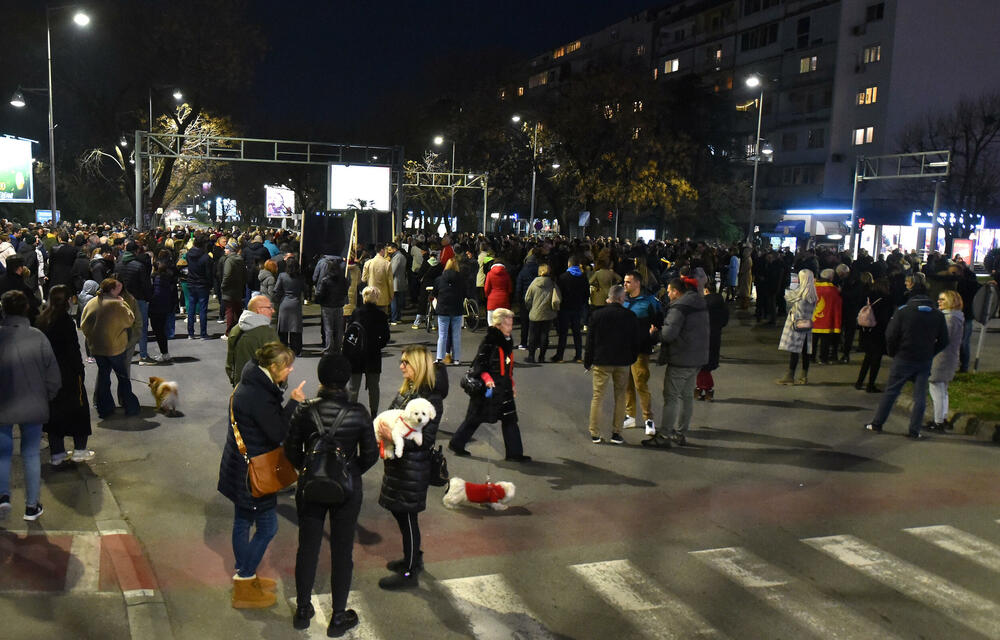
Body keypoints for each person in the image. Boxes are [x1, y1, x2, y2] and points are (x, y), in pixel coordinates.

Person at [284, 354, 378, 635]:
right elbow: (370, 455)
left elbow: (291, 450)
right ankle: (338, 617)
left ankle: (303, 610)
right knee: (342, 551)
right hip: (347, 490)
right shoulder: (359, 412)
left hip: (310, 486)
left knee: (307, 547)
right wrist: (349, 471)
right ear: (346, 380)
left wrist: (309, 469)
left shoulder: (305, 410)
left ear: (321, 378)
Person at [217, 342, 306, 609]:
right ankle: (245, 581)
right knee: (268, 528)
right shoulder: (258, 394)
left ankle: (245, 573)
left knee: (243, 521)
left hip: (239, 466)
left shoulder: (251, 379)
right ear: (273, 366)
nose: (290, 370)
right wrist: (294, 403)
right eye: (287, 366)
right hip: (255, 473)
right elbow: (278, 432)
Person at [377, 345, 448, 590]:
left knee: (407, 515)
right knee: (400, 512)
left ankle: (409, 571)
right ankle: (412, 558)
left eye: (405, 363)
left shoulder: (431, 399)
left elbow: (426, 440)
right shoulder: (407, 389)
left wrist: (394, 438)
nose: (401, 367)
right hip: (399, 464)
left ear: (417, 365)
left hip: (413, 467)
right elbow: (390, 414)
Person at [0, 290, 61, 521]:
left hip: (3, 404)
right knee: (31, 454)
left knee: (2, 454)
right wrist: (46, 396)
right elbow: (53, 376)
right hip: (34, 403)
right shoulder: (38, 337)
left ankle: (3, 496)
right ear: (26, 308)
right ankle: (31, 506)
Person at [864, 277, 949, 439]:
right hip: (924, 360)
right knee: (920, 396)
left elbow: (890, 335)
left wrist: (893, 352)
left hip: (903, 357)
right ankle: (914, 431)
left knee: (891, 392)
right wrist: (930, 352)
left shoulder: (903, 311)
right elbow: (944, 340)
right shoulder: (937, 315)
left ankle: (877, 423)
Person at [448, 308, 530, 461]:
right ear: (498, 325)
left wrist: (511, 383)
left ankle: (514, 453)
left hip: (503, 387)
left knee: (509, 419)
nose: (511, 328)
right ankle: (457, 443)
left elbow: (507, 365)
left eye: (511, 324)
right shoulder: (490, 341)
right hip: (489, 390)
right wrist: (487, 379)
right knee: (475, 418)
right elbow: (479, 365)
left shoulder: (506, 340)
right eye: (507, 325)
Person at [644, 277, 709, 448]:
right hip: (698, 358)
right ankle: (680, 433)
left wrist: (655, 334)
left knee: (671, 398)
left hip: (681, 358)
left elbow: (668, 334)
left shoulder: (679, 308)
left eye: (669, 291)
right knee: (687, 397)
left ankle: (664, 435)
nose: (667, 294)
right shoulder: (699, 303)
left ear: (676, 291)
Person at [37, 285, 94, 467]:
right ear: (68, 300)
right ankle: (79, 451)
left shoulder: (43, 320)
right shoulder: (66, 322)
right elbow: (72, 350)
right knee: (78, 410)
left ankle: (57, 454)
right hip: (68, 373)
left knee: (54, 413)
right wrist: (80, 370)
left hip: (48, 373)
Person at [584, 285, 639, 444]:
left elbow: (590, 341)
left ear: (609, 297)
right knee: (620, 397)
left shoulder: (597, 315)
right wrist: (632, 358)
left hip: (601, 360)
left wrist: (588, 361)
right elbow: (635, 341)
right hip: (622, 362)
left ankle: (595, 433)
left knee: (598, 397)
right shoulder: (630, 316)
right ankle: (616, 433)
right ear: (621, 298)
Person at [81, 278, 140, 418]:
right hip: (115, 347)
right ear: (112, 289)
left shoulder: (93, 302)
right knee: (123, 377)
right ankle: (130, 406)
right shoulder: (117, 304)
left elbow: (84, 325)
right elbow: (130, 320)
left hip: (98, 347)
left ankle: (104, 408)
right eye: (118, 287)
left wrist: (92, 338)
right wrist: (122, 302)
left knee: (104, 377)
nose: (120, 289)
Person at [622, 271, 663, 435]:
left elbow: (659, 321)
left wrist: (652, 337)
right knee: (626, 384)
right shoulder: (623, 300)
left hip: (641, 349)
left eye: (628, 282)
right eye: (624, 281)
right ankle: (630, 415)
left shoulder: (650, 301)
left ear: (637, 283)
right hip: (625, 349)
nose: (625, 284)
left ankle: (648, 418)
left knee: (640, 383)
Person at [347, 286, 391, 414]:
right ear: (377, 298)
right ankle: (374, 414)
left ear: (364, 297)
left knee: (353, 387)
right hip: (373, 355)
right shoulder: (381, 315)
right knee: (374, 387)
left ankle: (350, 414)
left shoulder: (356, 313)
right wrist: (377, 345)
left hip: (356, 355)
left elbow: (349, 332)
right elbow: (386, 337)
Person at [927, 290, 964, 431]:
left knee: (936, 389)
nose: (939, 301)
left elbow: (942, 339)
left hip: (941, 358)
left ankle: (938, 422)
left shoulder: (948, 319)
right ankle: (942, 418)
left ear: (951, 301)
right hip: (949, 357)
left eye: (942, 299)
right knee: (942, 390)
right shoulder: (956, 317)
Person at [226, 295, 279, 386]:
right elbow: (277, 365)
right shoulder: (268, 333)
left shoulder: (235, 330)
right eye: (269, 307)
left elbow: (230, 363)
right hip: (262, 387)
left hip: (240, 384)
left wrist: (235, 381)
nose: (273, 310)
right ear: (259, 310)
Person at [777, 269, 819, 385]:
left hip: (797, 324)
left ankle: (789, 376)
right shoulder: (812, 294)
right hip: (807, 325)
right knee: (805, 351)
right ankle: (803, 376)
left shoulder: (800, 294)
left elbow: (788, 296)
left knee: (794, 351)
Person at [855, 276, 893, 392]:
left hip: (866, 330)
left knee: (867, 358)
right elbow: (886, 317)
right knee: (876, 359)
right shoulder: (886, 299)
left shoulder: (868, 295)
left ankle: (859, 382)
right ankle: (870, 385)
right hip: (878, 331)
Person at [696, 279, 729, 401]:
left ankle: (706, 389)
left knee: (701, 366)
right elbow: (725, 321)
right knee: (706, 366)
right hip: (715, 336)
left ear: (706, 290)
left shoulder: (702, 303)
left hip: (702, 338)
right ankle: (701, 389)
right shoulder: (722, 303)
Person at [553, 256, 589, 363]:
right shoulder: (583, 277)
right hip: (577, 308)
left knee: (563, 333)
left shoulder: (563, 277)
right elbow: (587, 293)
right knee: (577, 332)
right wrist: (581, 303)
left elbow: (558, 293)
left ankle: (560, 356)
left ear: (569, 264)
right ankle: (579, 356)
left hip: (565, 308)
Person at [522, 263, 559, 363]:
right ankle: (542, 357)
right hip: (548, 313)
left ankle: (531, 356)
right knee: (544, 335)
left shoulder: (534, 283)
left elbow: (527, 298)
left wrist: (530, 307)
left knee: (533, 335)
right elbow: (557, 298)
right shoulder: (552, 283)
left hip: (535, 312)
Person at [433, 258, 467, 365]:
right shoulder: (462, 280)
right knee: (456, 335)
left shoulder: (439, 279)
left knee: (442, 335)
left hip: (443, 309)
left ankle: (439, 358)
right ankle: (456, 359)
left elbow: (435, 293)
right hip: (457, 309)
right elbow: (465, 293)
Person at [313, 253, 347, 354]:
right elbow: (345, 291)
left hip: (327, 306)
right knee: (339, 328)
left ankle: (329, 348)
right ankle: (338, 347)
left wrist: (319, 300)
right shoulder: (343, 280)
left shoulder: (325, 280)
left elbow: (320, 293)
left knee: (328, 328)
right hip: (339, 305)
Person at [273, 256, 305, 355]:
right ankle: (296, 349)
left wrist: (277, 299)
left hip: (285, 302)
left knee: (283, 327)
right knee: (295, 328)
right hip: (296, 303)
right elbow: (305, 288)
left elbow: (276, 289)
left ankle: (283, 348)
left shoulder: (282, 276)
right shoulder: (301, 277)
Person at [811, 268, 843, 364]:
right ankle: (823, 359)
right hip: (827, 320)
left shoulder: (812, 287)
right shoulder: (833, 290)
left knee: (812, 341)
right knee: (825, 342)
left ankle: (811, 358)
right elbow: (837, 308)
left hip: (812, 319)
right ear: (831, 278)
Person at [148, 258, 176, 362]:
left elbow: (151, 292)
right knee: (162, 331)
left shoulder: (153, 278)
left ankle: (164, 353)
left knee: (157, 331)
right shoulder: (169, 278)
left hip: (155, 306)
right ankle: (165, 352)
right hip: (165, 306)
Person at [185, 237, 213, 339]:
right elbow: (208, 273)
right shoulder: (206, 257)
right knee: (202, 309)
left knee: (191, 308)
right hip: (202, 284)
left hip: (191, 282)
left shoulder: (188, 254)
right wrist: (210, 284)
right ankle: (203, 333)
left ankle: (190, 333)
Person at [221, 241, 247, 338]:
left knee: (230, 311)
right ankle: (240, 330)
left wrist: (223, 285)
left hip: (229, 289)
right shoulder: (240, 260)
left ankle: (229, 333)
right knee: (238, 310)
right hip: (238, 288)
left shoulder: (229, 260)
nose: (225, 250)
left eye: (226, 248)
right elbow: (244, 274)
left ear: (230, 250)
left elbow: (227, 275)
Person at [361, 244, 394, 316]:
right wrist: (391, 295)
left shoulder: (368, 263)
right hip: (384, 296)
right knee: (383, 316)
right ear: (382, 250)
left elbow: (363, 279)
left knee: (371, 316)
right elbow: (390, 282)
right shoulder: (387, 264)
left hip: (371, 295)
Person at [483, 261, 512, 328]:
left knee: (491, 322)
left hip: (492, 300)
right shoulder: (506, 274)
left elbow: (486, 288)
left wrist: (487, 296)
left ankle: (492, 333)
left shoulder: (489, 274)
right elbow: (510, 289)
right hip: (504, 300)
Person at [388, 242, 407, 324]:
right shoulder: (401, 256)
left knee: (394, 301)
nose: (388, 251)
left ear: (394, 249)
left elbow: (392, 270)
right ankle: (398, 318)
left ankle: (394, 319)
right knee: (398, 301)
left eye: (390, 250)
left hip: (395, 282)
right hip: (400, 281)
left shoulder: (397, 257)